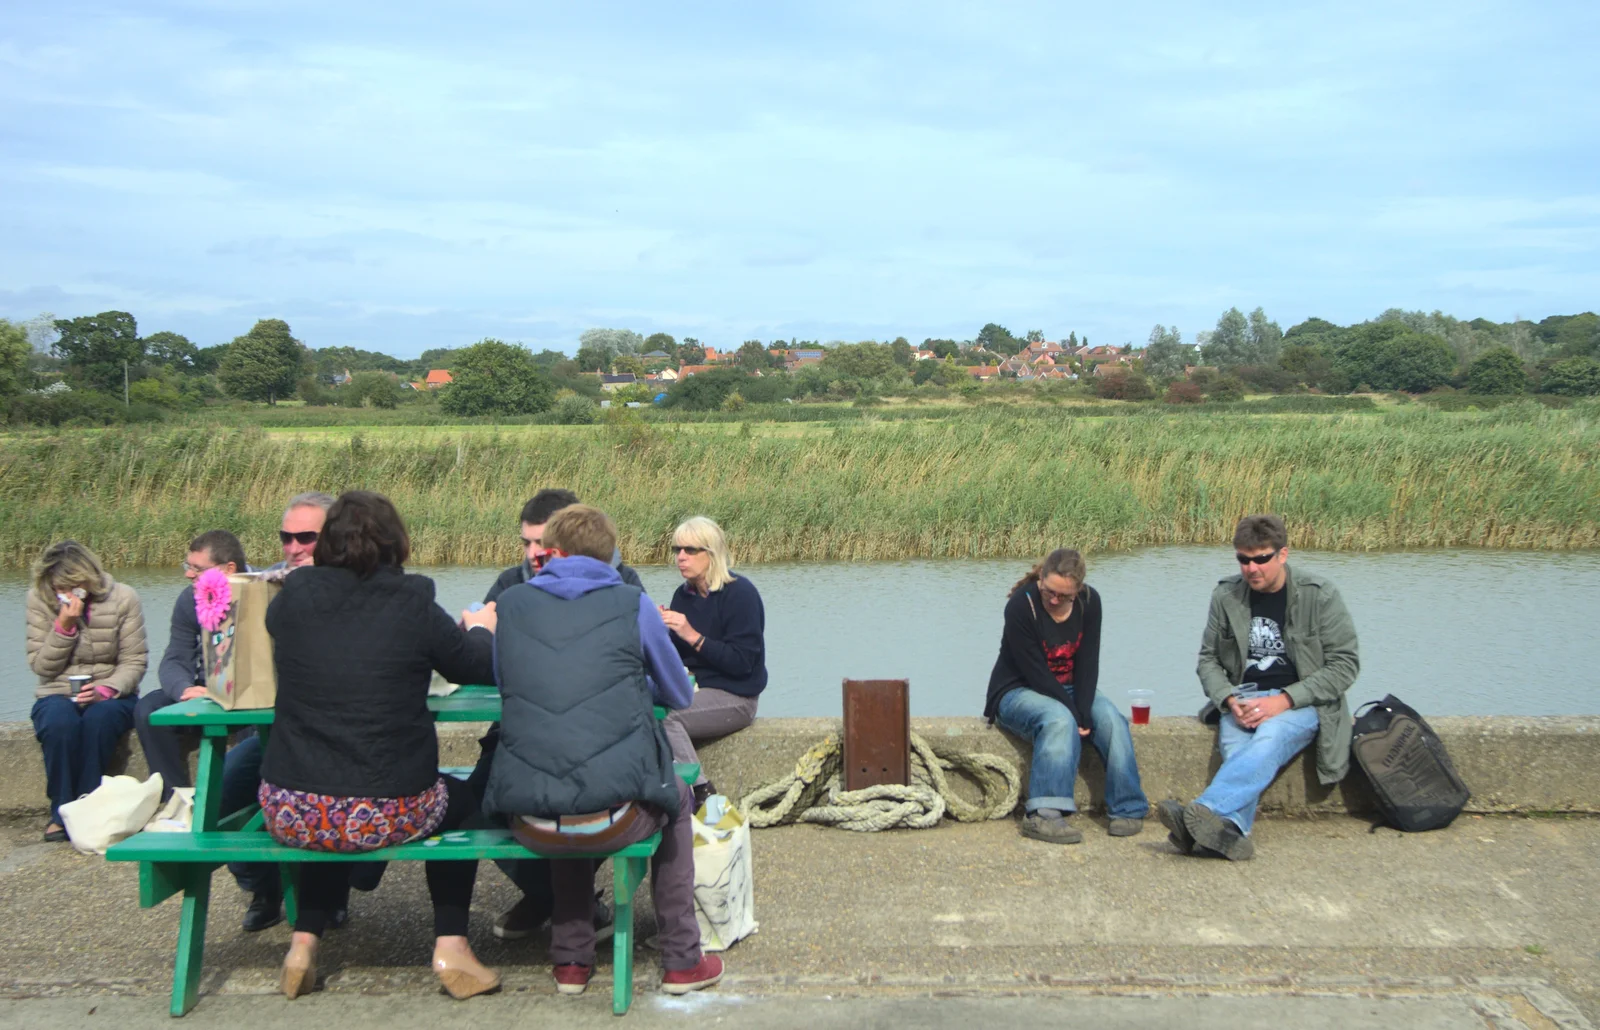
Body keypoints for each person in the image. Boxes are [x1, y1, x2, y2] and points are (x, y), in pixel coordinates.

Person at [259, 490, 502, 1000]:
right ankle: (452, 946)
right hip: (386, 808)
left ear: (326, 542)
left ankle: (303, 943)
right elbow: (471, 665)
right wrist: (480, 629)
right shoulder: (411, 599)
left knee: (334, 793)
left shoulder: (295, 596)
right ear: (396, 542)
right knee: (465, 803)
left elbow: (281, 626)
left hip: (291, 808)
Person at [484, 504, 723, 996]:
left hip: (528, 816)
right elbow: (678, 694)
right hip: (612, 818)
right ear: (610, 553)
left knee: (567, 783)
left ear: (551, 551)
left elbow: (507, 684)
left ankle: (571, 961)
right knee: (674, 796)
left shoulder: (511, 605)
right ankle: (681, 958)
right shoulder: (631, 603)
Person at [471, 487, 644, 941]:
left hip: (600, 735)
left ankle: (560, 906)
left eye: (540, 545)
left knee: (605, 795)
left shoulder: (623, 583)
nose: (532, 555)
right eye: (525, 544)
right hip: (520, 733)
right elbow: (486, 662)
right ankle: (560, 899)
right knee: (477, 806)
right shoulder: (510, 585)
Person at [1157, 514, 1360, 861]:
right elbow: (1208, 660)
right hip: (1243, 699)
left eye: (1261, 558)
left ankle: (1202, 810)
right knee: (1238, 752)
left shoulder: (1320, 595)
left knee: (1269, 739)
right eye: (1243, 559)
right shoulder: (1226, 595)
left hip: (1301, 703)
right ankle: (1229, 834)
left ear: (1283, 554)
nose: (1251, 569)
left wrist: (1284, 700)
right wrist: (1228, 698)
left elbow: (1345, 665)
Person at [220, 491, 339, 932]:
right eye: (286, 538)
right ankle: (263, 887)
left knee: (336, 790)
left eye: (306, 537)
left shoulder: (362, 591)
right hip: (273, 728)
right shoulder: (262, 589)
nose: (293, 549)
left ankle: (328, 895)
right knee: (224, 789)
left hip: (336, 734)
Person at [984, 548, 1148, 843]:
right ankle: (1043, 815)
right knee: (1059, 720)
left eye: (1064, 596)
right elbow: (1035, 672)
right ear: (1042, 578)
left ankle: (1128, 807)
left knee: (1111, 719)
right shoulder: (1022, 606)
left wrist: (1083, 708)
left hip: (1070, 689)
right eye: (1049, 592)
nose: (1055, 600)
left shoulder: (1090, 602)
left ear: (1078, 591)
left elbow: (1088, 662)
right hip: (1018, 690)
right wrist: (1074, 714)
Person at [25, 540, 148, 842]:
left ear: (87, 579)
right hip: (56, 690)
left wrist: (107, 689)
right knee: (58, 725)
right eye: (59, 588)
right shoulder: (39, 600)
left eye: (71, 587)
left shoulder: (123, 598)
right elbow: (41, 666)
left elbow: (135, 661)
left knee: (99, 721)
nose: (65, 594)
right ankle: (62, 813)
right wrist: (63, 627)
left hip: (111, 692)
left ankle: (87, 809)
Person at [658, 516, 766, 806]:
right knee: (648, 709)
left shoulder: (740, 594)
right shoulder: (682, 597)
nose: (681, 557)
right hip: (698, 692)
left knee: (667, 717)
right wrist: (656, 631)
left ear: (711, 553)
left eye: (690, 550)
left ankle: (701, 792)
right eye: (677, 550)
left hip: (737, 696)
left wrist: (691, 634)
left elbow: (743, 663)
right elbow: (677, 658)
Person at [133, 530, 248, 802]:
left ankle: (244, 800)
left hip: (249, 692)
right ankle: (175, 801)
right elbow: (175, 658)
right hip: (204, 690)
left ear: (228, 569)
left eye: (197, 569)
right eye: (188, 567)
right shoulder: (190, 599)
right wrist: (184, 689)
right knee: (148, 709)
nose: (188, 574)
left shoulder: (263, 593)